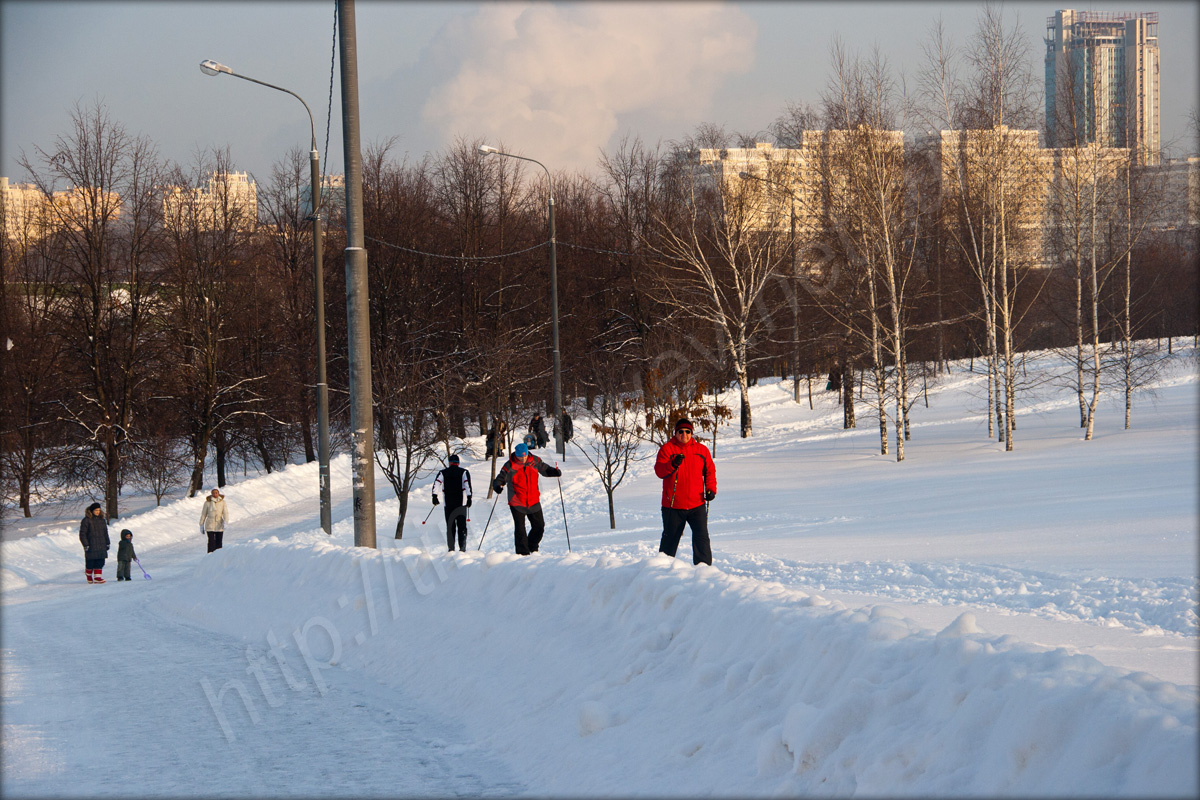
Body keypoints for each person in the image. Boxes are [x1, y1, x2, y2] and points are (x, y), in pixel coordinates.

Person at [653, 418, 717, 565]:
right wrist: (673, 464)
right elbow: (660, 471)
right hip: (673, 506)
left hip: (697, 504)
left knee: (702, 539)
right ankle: (661, 570)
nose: (684, 434)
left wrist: (711, 489)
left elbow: (710, 472)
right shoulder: (667, 449)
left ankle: (704, 571)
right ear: (675, 433)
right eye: (680, 431)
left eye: (688, 431)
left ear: (692, 433)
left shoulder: (701, 450)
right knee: (670, 540)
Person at [491, 442, 562, 555]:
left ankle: (532, 547)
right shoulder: (510, 465)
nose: (523, 459)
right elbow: (500, 478)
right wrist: (497, 486)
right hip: (517, 501)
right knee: (520, 529)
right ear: (516, 455)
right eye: (520, 457)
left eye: (524, 456)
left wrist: (554, 472)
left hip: (533, 499)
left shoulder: (534, 460)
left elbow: (545, 469)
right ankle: (522, 553)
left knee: (539, 526)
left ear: (527, 454)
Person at [433, 454, 473, 552]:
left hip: (448, 504)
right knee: (462, 527)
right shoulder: (464, 472)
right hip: (461, 504)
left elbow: (436, 484)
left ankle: (451, 549)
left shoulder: (443, 473)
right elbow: (467, 485)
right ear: (458, 463)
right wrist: (469, 497)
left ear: (450, 463)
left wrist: (434, 496)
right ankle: (462, 549)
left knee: (450, 527)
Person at [79, 502, 110, 584]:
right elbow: (83, 534)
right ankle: (88, 574)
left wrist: (107, 542)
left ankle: (97, 577)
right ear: (92, 511)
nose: (98, 512)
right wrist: (86, 544)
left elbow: (105, 532)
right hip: (91, 544)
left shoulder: (102, 520)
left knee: (100, 561)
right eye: (96, 510)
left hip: (101, 544)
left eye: (99, 510)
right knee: (91, 562)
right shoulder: (86, 520)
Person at [199, 488, 229, 553]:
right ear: (211, 494)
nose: (215, 494)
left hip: (219, 524)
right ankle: (210, 555)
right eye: (213, 493)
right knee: (211, 542)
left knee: (219, 541)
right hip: (210, 524)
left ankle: (218, 556)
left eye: (216, 493)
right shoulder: (207, 502)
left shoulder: (222, 502)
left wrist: (226, 521)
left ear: (218, 494)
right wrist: (201, 524)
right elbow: (204, 514)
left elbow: (225, 512)